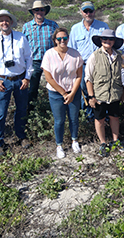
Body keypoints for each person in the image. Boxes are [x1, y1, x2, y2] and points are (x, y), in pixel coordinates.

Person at [0, 10, 33, 156]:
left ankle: (21, 136)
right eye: (1, 21)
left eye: (7, 20)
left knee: (21, 109)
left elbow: (29, 58)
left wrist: (27, 77)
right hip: (3, 81)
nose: (4, 23)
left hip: (20, 79)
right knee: (1, 112)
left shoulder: (20, 37)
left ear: (11, 22)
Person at [42, 27, 84, 159]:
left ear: (68, 39)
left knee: (73, 118)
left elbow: (79, 76)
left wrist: (71, 94)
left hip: (73, 91)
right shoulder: (49, 54)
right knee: (59, 120)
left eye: (64, 38)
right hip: (55, 93)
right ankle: (59, 145)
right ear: (55, 40)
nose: (62, 41)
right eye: (59, 38)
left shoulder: (75, 54)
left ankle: (74, 140)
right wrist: (63, 93)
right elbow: (49, 78)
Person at [85, 29, 124, 157]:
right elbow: (88, 78)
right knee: (99, 119)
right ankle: (103, 143)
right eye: (105, 39)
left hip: (115, 94)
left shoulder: (119, 57)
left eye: (110, 39)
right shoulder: (94, 56)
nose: (107, 41)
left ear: (114, 42)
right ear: (101, 41)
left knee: (115, 117)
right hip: (99, 95)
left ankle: (115, 140)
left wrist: (123, 93)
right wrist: (91, 96)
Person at [69, 1, 109, 120]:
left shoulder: (103, 26)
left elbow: (108, 46)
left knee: (101, 91)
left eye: (90, 11)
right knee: (85, 93)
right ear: (81, 12)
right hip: (83, 66)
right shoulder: (75, 29)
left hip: (100, 65)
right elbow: (72, 49)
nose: (88, 13)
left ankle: (103, 118)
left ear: (94, 12)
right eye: (85, 11)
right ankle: (88, 118)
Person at [22, 0, 59, 113]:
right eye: (36, 10)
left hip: (51, 61)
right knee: (33, 88)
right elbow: (23, 45)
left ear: (45, 11)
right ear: (33, 11)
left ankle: (56, 109)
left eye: (41, 9)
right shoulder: (27, 26)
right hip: (34, 61)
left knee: (55, 85)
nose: (39, 12)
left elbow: (58, 42)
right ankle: (31, 111)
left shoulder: (53, 25)